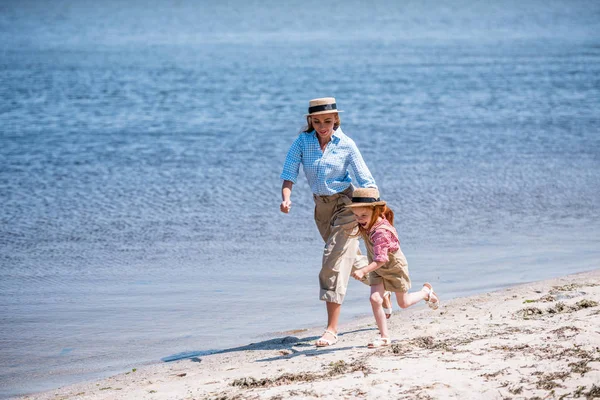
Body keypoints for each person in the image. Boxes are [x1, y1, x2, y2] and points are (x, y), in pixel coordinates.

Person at [279, 97, 392, 347]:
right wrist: (286, 199)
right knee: (348, 262)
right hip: (321, 209)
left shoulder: (347, 144)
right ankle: (382, 285)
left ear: (336, 120)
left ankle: (331, 329)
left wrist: (375, 212)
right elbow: (289, 174)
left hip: (347, 205)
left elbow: (366, 179)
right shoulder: (302, 142)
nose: (322, 126)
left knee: (332, 260)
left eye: (327, 121)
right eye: (317, 121)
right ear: (310, 121)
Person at [348, 187, 440, 348]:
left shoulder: (381, 232)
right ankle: (384, 337)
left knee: (403, 303)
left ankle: (426, 292)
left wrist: (363, 270)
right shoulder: (366, 224)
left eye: (363, 215)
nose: (360, 219)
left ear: (375, 211)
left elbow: (382, 260)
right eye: (356, 215)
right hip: (377, 268)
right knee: (375, 298)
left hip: (393, 267)